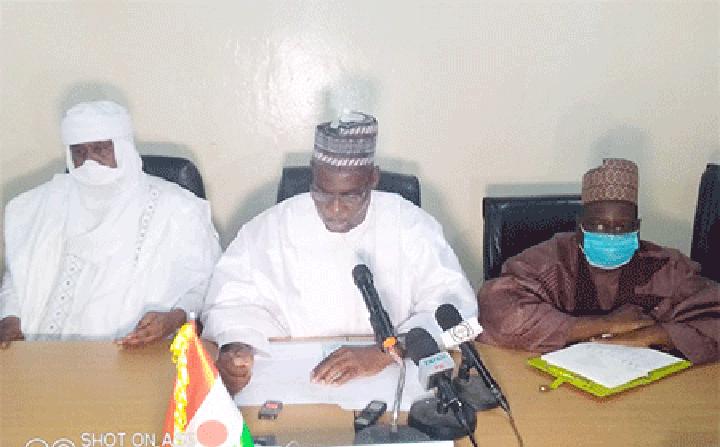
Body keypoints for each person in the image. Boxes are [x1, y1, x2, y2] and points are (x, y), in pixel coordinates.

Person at [202, 111, 476, 394]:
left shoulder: (411, 225)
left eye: (350, 195)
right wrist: (238, 346)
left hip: (396, 377)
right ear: (312, 173)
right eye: (322, 193)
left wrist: (389, 352)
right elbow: (228, 305)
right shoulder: (269, 228)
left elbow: (464, 321)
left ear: (373, 178)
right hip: (297, 383)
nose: (334, 209)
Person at [0, 101, 221, 347]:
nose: (90, 162)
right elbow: (18, 275)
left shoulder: (178, 208)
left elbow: (204, 283)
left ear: (123, 147)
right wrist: (9, 318)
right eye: (79, 152)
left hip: (133, 350)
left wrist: (173, 319)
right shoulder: (41, 205)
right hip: (42, 351)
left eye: (100, 149)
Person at [477, 158, 720, 364]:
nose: (611, 235)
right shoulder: (551, 260)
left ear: (637, 228)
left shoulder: (667, 267)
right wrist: (605, 325)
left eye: (622, 227)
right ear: (580, 227)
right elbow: (497, 310)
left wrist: (651, 335)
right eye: (599, 225)